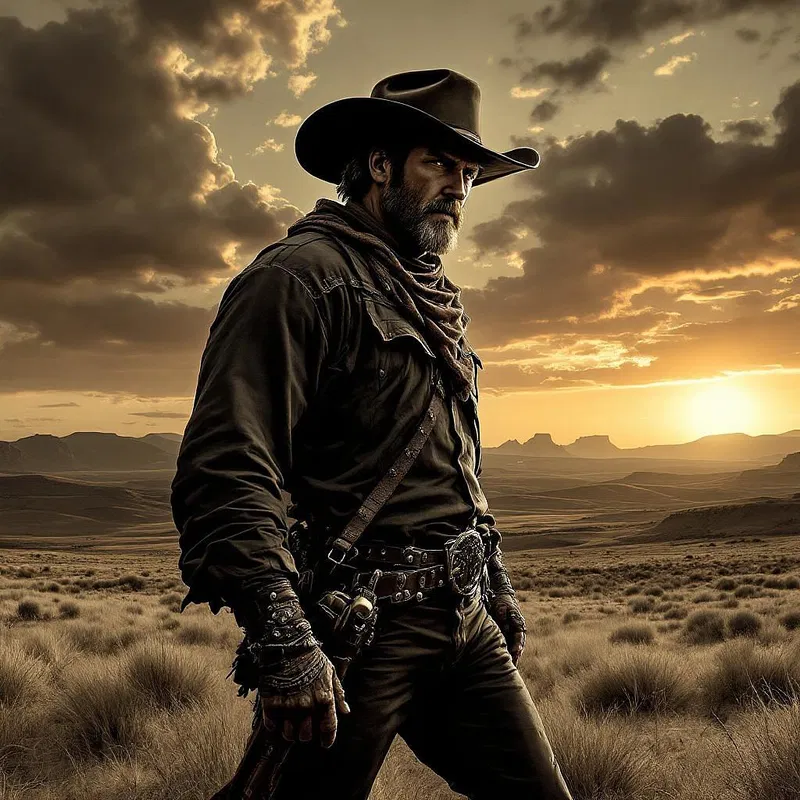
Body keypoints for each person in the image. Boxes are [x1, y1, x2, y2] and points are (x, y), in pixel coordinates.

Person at [171, 68, 573, 800]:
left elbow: (453, 466)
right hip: (360, 626)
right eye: (439, 164)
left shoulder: (432, 295)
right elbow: (229, 467)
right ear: (380, 165)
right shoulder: (297, 281)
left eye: (470, 172)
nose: (460, 187)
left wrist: (497, 584)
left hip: (462, 613)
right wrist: (286, 641)